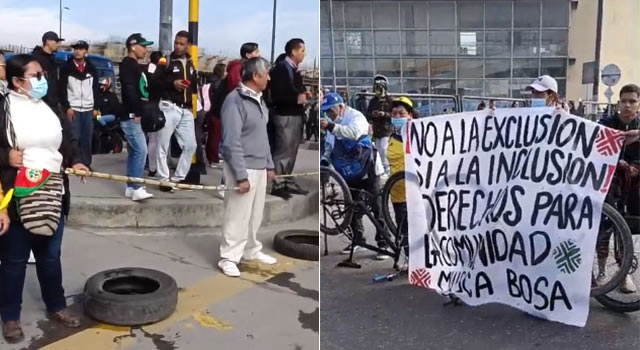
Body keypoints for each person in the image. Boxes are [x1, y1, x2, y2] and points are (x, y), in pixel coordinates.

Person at [0, 54, 89, 343]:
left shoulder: (50, 107)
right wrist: (5, 156)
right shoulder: (4, 108)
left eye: (43, 75)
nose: (43, 80)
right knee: (13, 260)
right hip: (17, 194)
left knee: (50, 257)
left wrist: (76, 161)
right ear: (17, 81)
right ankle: (10, 317)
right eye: (36, 76)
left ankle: (57, 306)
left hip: (53, 192)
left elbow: (67, 141)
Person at [218, 57, 277, 277]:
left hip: (259, 167)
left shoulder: (259, 100)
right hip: (243, 167)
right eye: (266, 74)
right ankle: (229, 257)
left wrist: (269, 165)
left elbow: (262, 136)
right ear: (255, 76)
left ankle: (251, 249)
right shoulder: (235, 101)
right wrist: (241, 176)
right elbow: (231, 142)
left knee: (254, 214)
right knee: (237, 214)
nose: (269, 78)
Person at [320, 93, 389, 259]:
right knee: (351, 206)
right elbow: (329, 146)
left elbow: (354, 133)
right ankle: (357, 240)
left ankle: (384, 243)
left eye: (331, 110)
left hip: (367, 167)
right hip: (348, 170)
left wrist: (331, 127)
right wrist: (324, 163)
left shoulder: (355, 116)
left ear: (341, 107)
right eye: (326, 112)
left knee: (376, 206)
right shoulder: (332, 123)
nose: (329, 114)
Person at [596, 83, 640, 293]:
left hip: (632, 189)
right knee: (603, 229)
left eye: (632, 101)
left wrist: (633, 167)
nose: (628, 105)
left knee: (624, 233)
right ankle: (603, 272)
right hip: (607, 185)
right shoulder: (606, 123)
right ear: (617, 103)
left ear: (638, 105)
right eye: (624, 101)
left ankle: (624, 275)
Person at [156, 31, 198, 191]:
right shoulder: (165, 60)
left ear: (188, 46)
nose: (178, 46)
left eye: (181, 43)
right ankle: (163, 179)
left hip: (185, 109)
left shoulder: (190, 62)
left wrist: (194, 107)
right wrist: (172, 83)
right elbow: (155, 81)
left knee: (190, 145)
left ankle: (179, 178)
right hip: (169, 106)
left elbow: (194, 86)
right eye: (176, 42)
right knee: (162, 144)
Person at [269, 38, 309, 199]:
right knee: (283, 151)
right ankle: (277, 184)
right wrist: (296, 98)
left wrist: (303, 93)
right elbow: (278, 94)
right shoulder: (281, 69)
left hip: (294, 114)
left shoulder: (293, 69)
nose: (304, 54)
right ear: (293, 51)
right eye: (302, 50)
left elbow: (296, 88)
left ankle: (287, 182)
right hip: (285, 115)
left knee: (291, 151)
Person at [119, 33, 155, 201]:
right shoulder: (128, 65)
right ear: (133, 46)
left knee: (135, 151)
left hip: (134, 114)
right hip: (131, 115)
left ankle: (131, 186)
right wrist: (136, 113)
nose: (146, 49)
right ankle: (136, 186)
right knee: (141, 150)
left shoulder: (134, 65)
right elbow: (129, 90)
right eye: (143, 46)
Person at [59, 40, 100, 168]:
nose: (77, 51)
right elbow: (62, 89)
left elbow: (95, 89)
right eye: (76, 49)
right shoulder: (66, 67)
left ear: (86, 51)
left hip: (88, 109)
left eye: (81, 49)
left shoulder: (92, 68)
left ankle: (86, 163)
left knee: (87, 137)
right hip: (74, 108)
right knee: (74, 137)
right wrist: (67, 107)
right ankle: (74, 162)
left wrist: (96, 107)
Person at [386, 97, 414, 257]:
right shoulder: (392, 137)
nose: (397, 117)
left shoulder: (421, 136)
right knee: (403, 230)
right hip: (397, 195)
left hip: (416, 194)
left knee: (418, 230)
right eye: (394, 113)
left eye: (401, 113)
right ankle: (411, 262)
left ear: (410, 115)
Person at [366, 75, 393, 179]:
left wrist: (384, 114)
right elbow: (367, 114)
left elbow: (393, 114)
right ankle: (381, 170)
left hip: (386, 129)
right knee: (377, 150)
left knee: (383, 149)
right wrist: (373, 114)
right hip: (376, 130)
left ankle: (387, 170)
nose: (378, 90)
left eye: (380, 87)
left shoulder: (390, 100)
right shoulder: (373, 101)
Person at [146, 51, 167, 178]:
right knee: (159, 140)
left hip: (149, 106)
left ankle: (152, 167)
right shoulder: (158, 76)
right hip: (158, 106)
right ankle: (155, 167)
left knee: (152, 139)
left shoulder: (146, 71)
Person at [32, 32, 64, 112]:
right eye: (56, 41)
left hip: (53, 104)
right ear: (48, 42)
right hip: (42, 105)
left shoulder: (51, 59)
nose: (58, 44)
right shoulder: (36, 59)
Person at [205, 62, 226, 166]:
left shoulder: (210, 79)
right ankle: (214, 159)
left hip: (209, 109)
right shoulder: (218, 82)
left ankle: (211, 157)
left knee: (211, 135)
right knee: (215, 136)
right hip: (216, 110)